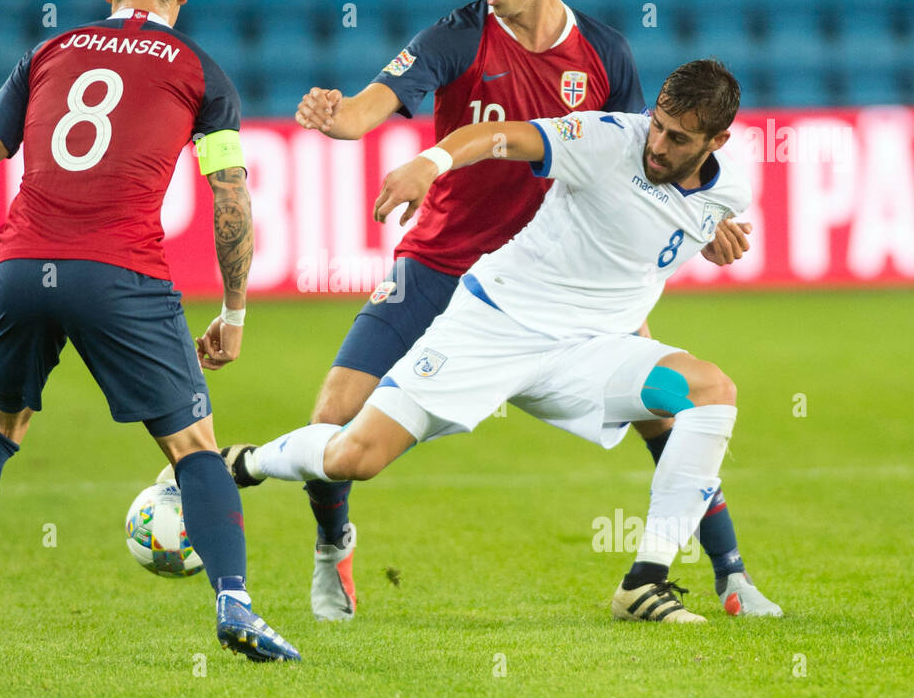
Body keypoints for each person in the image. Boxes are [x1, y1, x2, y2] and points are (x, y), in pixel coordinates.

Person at [288, 0, 776, 620]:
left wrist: (705, 227)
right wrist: (337, 118)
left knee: (674, 414)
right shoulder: (456, 36)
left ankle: (730, 574)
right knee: (334, 418)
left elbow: (649, 174)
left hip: (564, 285)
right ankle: (332, 550)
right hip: (442, 264)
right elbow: (368, 110)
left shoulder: (605, 54)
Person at [227, 60, 763, 623]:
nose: (657, 144)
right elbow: (499, 135)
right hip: (497, 325)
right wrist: (429, 163)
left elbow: (682, 214)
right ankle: (250, 462)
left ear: (717, 141)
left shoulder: (729, 193)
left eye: (678, 139)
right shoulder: (606, 140)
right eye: (657, 124)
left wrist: (707, 235)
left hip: (592, 353)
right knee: (354, 456)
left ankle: (645, 582)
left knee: (711, 391)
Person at [0, 0, 299, 664]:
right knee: (194, 445)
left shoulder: (48, 52)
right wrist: (234, 310)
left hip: (21, 267)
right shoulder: (200, 70)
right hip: (121, 271)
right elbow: (231, 194)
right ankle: (237, 605)